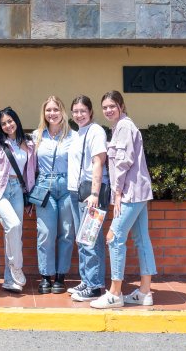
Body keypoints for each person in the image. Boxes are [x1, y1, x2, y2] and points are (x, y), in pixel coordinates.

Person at [91, 90, 157, 309]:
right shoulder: (121, 126)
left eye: (112, 106)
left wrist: (117, 194)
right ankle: (145, 292)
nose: (108, 110)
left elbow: (123, 162)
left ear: (121, 106)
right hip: (138, 192)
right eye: (105, 107)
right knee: (141, 239)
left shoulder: (124, 127)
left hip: (129, 193)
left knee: (114, 237)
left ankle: (115, 293)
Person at [0, 107, 36, 293]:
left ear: (17, 120)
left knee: (14, 234)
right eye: (4, 123)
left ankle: (10, 280)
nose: (8, 125)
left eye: (10, 121)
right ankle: (16, 267)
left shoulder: (29, 143)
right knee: (13, 225)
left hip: (18, 190)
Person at [32, 96, 76, 294]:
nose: (52, 113)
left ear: (62, 112)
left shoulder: (72, 136)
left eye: (56, 109)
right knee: (46, 233)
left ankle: (60, 275)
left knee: (66, 233)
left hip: (67, 186)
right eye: (48, 110)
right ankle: (45, 276)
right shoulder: (36, 136)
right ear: (44, 113)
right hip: (44, 186)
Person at [67, 95, 109, 302]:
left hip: (91, 193)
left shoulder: (96, 131)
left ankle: (94, 287)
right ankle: (87, 280)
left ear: (91, 112)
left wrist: (94, 193)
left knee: (90, 240)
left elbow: (98, 162)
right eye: (75, 111)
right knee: (82, 239)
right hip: (77, 192)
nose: (79, 114)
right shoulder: (77, 133)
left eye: (83, 111)